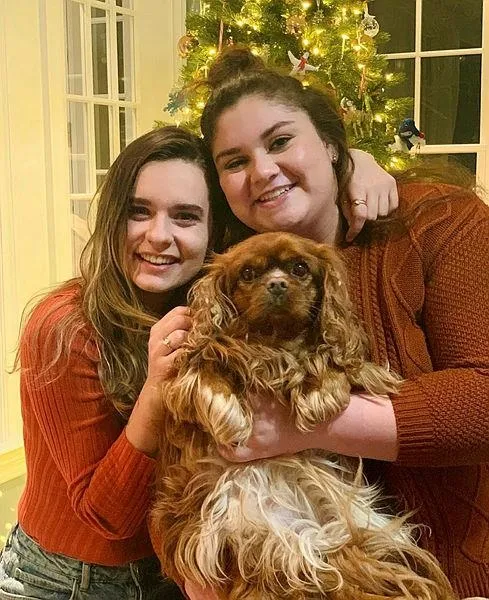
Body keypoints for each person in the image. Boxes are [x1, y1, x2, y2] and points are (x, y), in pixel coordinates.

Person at [0, 122, 394, 600]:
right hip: (70, 582)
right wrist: (156, 388)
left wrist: (354, 167)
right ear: (111, 218)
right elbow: (109, 519)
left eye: (185, 216)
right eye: (138, 212)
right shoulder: (63, 327)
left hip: (179, 569)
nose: (158, 236)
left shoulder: (216, 299)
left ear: (214, 230)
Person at [183, 47, 488, 598]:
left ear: (329, 143)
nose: (263, 171)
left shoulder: (439, 221)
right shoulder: (228, 270)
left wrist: (296, 426)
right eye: (234, 162)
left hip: (453, 574)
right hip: (281, 576)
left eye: (281, 141)